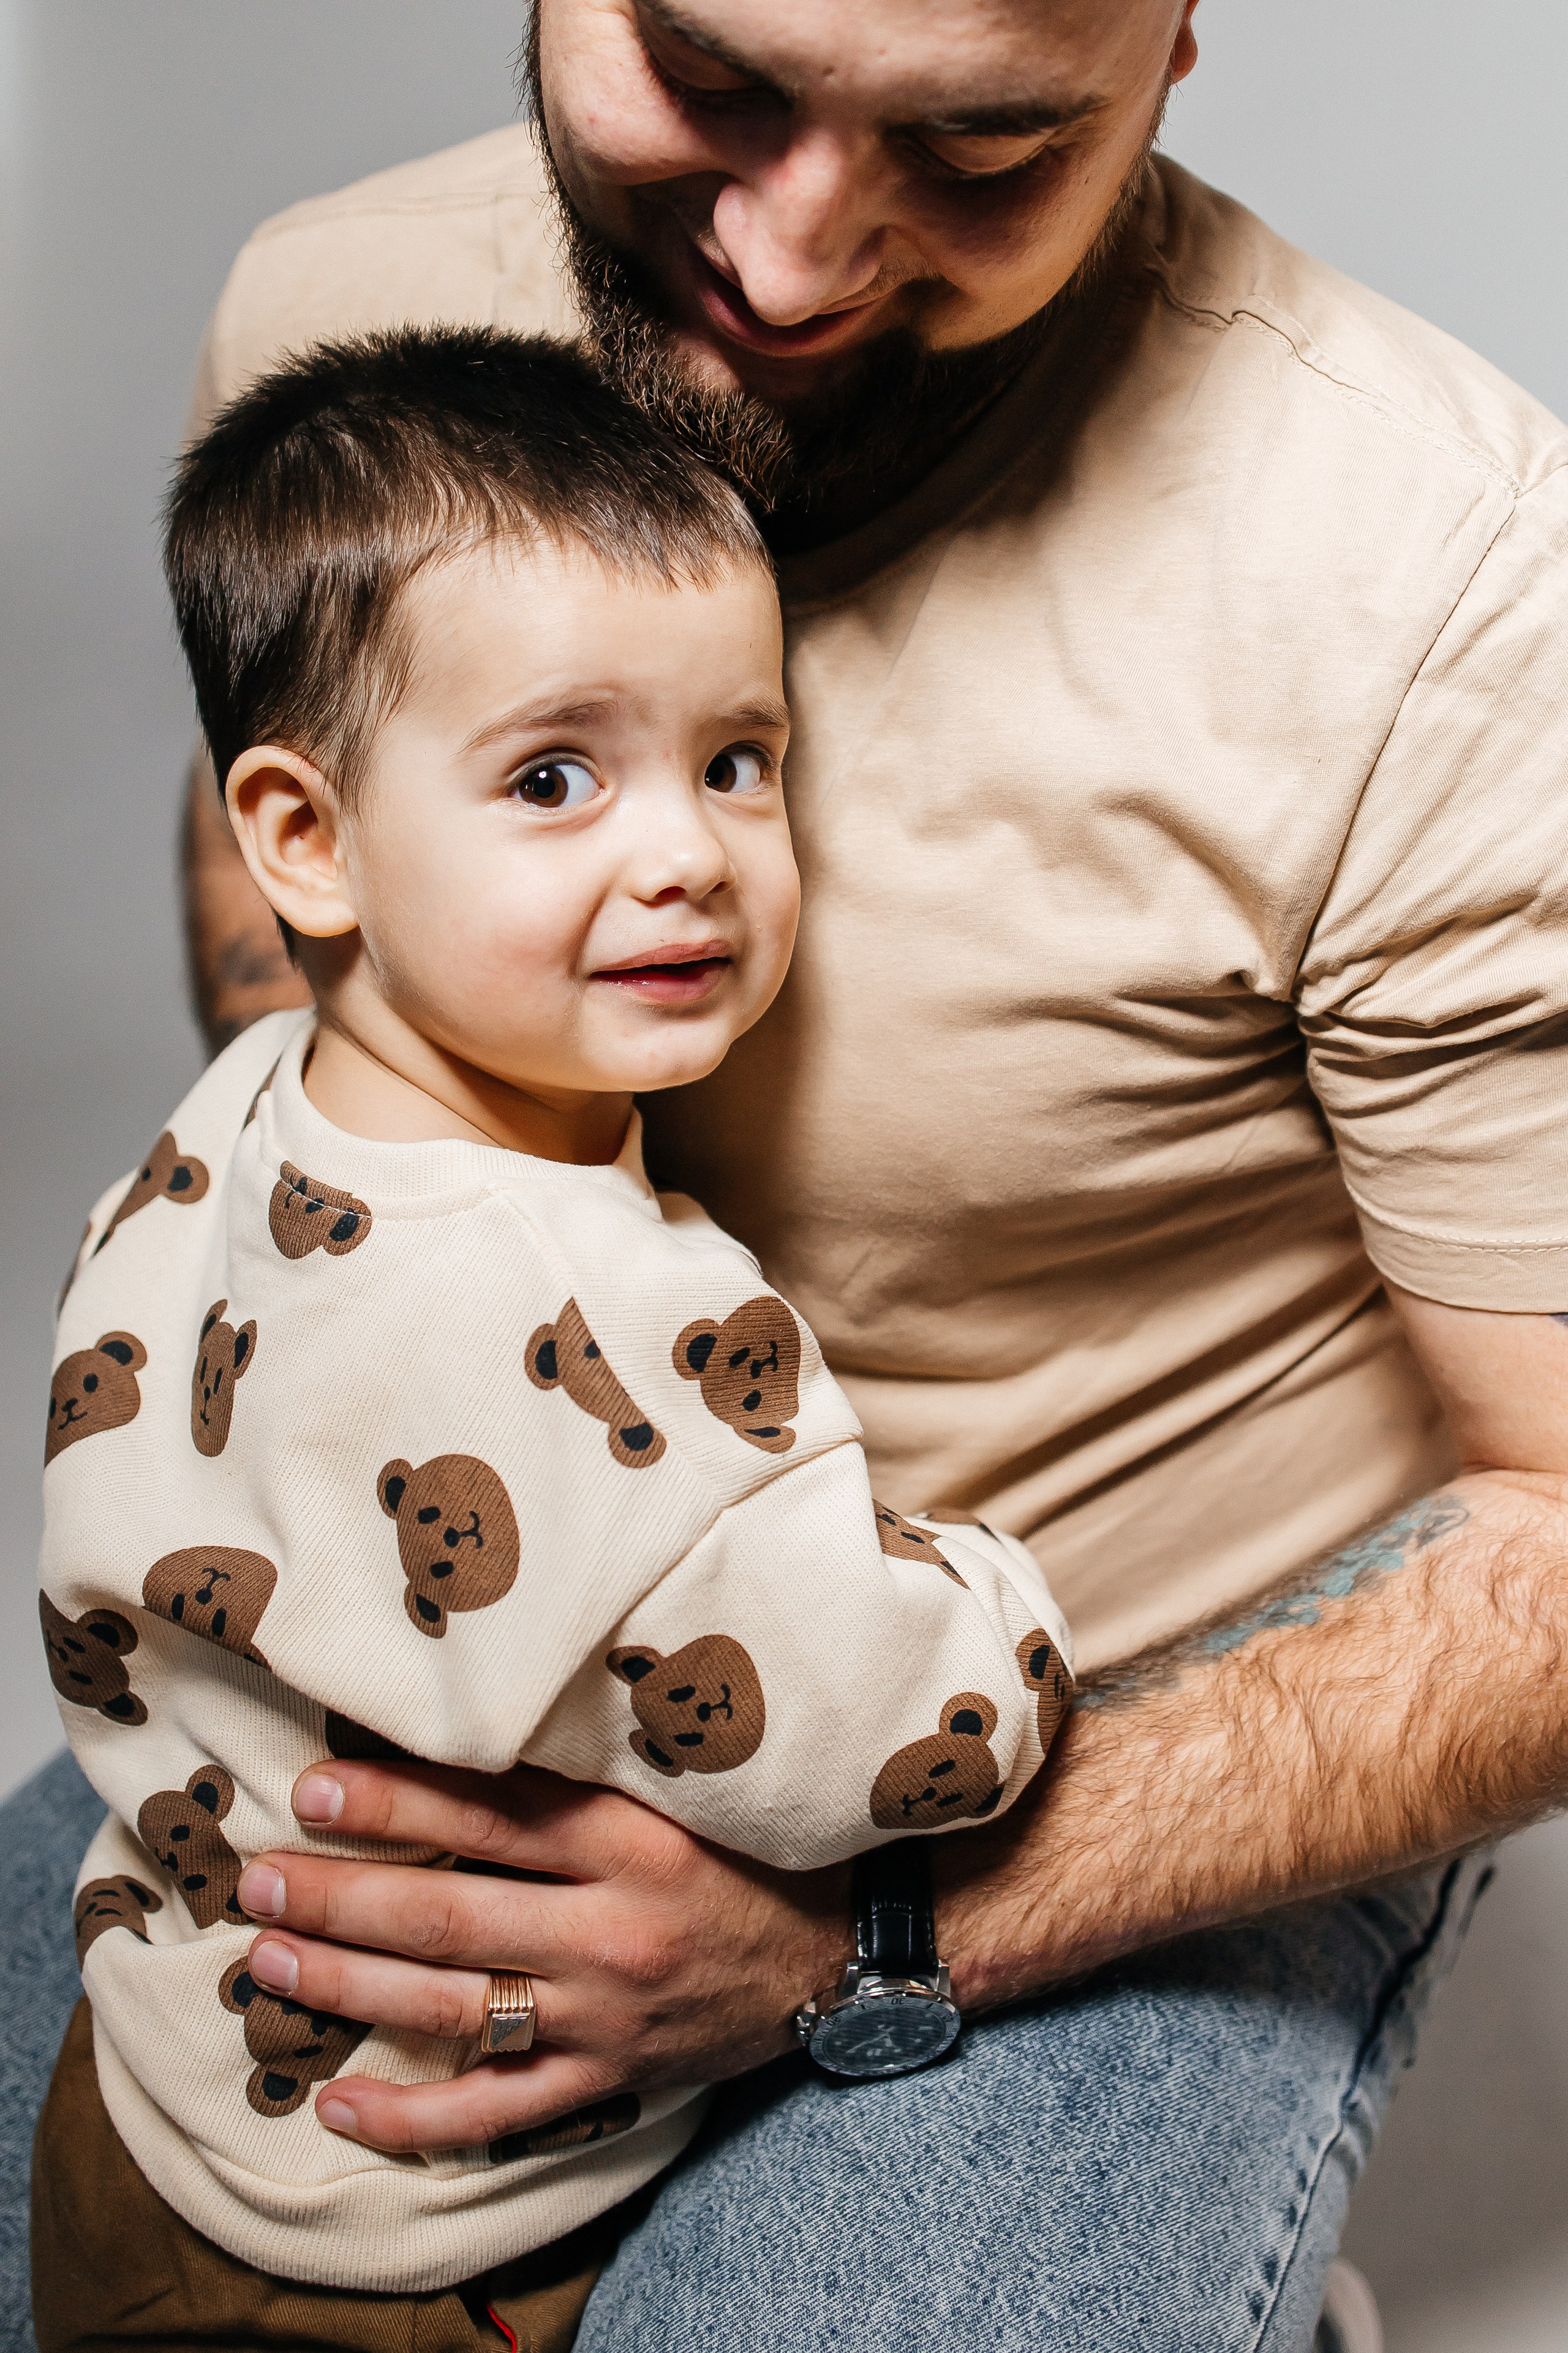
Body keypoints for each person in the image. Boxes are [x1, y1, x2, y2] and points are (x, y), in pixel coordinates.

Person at [11, 0, 1568, 2344]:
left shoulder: (1444, 581)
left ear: (1170, 43)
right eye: (714, 75)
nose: (799, 245)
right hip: (466, 1677)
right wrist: (428, 1342)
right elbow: (280, 882)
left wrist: (874, 1922)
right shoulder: (340, 316)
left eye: (987, 136)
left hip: (1098, 1717)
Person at [31, 324, 1072, 2348]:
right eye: (554, 775)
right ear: (304, 838)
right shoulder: (614, 1334)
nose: (684, 846)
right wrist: (1004, 1604)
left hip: (145, 2101)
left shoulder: (240, 1109)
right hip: (419, 2225)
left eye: (737, 758)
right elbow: (891, 1735)